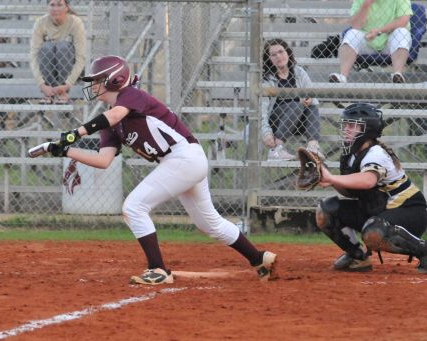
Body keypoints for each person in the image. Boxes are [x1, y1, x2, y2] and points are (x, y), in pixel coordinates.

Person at [44, 55, 277, 285]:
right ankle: (259, 259)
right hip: (180, 162)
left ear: (114, 79)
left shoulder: (131, 95)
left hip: (184, 157)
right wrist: (67, 151)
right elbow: (103, 160)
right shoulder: (110, 123)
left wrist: (76, 133)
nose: (93, 86)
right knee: (209, 224)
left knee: (134, 207)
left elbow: (114, 115)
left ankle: (157, 269)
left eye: (97, 80)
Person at [316, 103, 427, 273]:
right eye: (346, 124)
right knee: (326, 210)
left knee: (373, 231)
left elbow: (368, 181)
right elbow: (350, 191)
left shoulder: (376, 153)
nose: (346, 129)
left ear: (367, 129)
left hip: (410, 211)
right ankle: (357, 256)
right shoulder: (351, 155)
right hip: (378, 209)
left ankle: (424, 250)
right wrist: (331, 181)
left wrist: (331, 177)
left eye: (352, 125)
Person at [262, 38, 322, 161]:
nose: (279, 56)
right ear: (268, 59)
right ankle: (276, 149)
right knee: (297, 104)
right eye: (273, 54)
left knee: (311, 106)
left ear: (288, 52)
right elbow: (261, 110)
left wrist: (310, 99)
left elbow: (314, 99)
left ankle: (313, 147)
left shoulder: (299, 72)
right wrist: (266, 133)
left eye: (281, 52)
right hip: (276, 123)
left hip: (298, 122)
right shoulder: (266, 80)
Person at [329, 0, 413, 84]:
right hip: (368, 39)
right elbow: (355, 25)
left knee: (402, 32)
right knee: (351, 33)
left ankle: (397, 75)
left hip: (390, 40)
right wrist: (367, 4)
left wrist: (379, 31)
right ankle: (342, 76)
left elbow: (403, 20)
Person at [29, 0, 86, 104]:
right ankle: (49, 92)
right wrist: (42, 85)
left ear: (67, 7)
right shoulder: (40, 22)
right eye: (52, 5)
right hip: (48, 70)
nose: (55, 9)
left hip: (69, 68)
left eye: (59, 5)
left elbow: (81, 57)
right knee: (46, 47)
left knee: (63, 47)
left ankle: (62, 92)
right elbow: (33, 56)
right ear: (48, 7)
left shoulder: (75, 22)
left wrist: (68, 84)